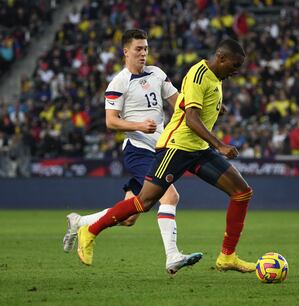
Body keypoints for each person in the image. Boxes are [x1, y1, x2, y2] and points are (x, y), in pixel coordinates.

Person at [77, 38, 256, 274]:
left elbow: (183, 102)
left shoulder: (215, 76)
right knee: (144, 202)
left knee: (242, 193)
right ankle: (90, 230)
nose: (235, 72)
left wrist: (214, 107)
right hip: (176, 148)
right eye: (234, 66)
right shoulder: (199, 74)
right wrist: (220, 145)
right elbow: (191, 118)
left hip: (198, 149)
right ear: (221, 58)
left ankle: (227, 256)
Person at [63, 29, 202, 274]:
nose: (143, 53)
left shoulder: (158, 74)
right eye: (138, 49)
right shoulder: (118, 82)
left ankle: (81, 222)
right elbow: (111, 121)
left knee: (130, 216)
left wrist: (199, 106)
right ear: (125, 52)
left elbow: (178, 102)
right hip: (138, 149)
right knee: (170, 197)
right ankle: (172, 257)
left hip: (160, 148)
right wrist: (139, 125)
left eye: (146, 49)